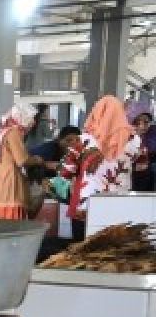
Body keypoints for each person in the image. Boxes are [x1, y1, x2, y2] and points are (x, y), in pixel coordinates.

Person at [60, 95, 142, 234]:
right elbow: (139, 162)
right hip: (120, 204)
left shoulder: (84, 140)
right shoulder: (134, 140)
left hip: (89, 205)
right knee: (112, 247)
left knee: (85, 248)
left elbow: (65, 172)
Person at [0, 102, 37, 220]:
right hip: (11, 186)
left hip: (0, 184)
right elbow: (22, 160)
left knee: (0, 226)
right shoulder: (13, 132)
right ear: (22, 118)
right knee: (12, 227)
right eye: (31, 119)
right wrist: (37, 160)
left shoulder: (3, 131)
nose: (33, 123)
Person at [131, 112, 154, 192]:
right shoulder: (126, 139)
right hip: (129, 181)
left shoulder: (152, 136)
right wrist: (133, 168)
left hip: (149, 181)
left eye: (146, 122)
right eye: (137, 123)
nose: (142, 126)